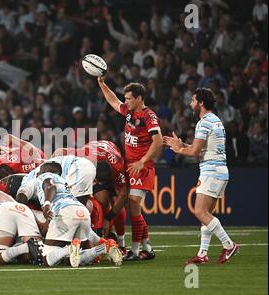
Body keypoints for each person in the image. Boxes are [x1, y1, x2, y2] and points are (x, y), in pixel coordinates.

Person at [164, 88, 239, 264]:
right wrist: (183, 144)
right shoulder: (216, 120)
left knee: (199, 211)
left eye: (193, 100)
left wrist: (179, 150)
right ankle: (202, 253)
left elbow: (195, 152)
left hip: (211, 172)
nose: (190, 103)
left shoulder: (204, 122)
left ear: (201, 103)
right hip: (219, 171)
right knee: (206, 214)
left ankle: (229, 245)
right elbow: (203, 147)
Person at [97, 78, 163, 261]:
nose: (125, 102)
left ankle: (135, 251)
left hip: (142, 167)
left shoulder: (149, 117)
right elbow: (113, 101)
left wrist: (143, 161)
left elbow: (158, 141)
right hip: (130, 165)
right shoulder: (129, 112)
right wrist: (102, 84)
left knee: (133, 204)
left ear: (139, 98)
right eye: (125, 98)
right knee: (132, 206)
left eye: (128, 99)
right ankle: (146, 247)